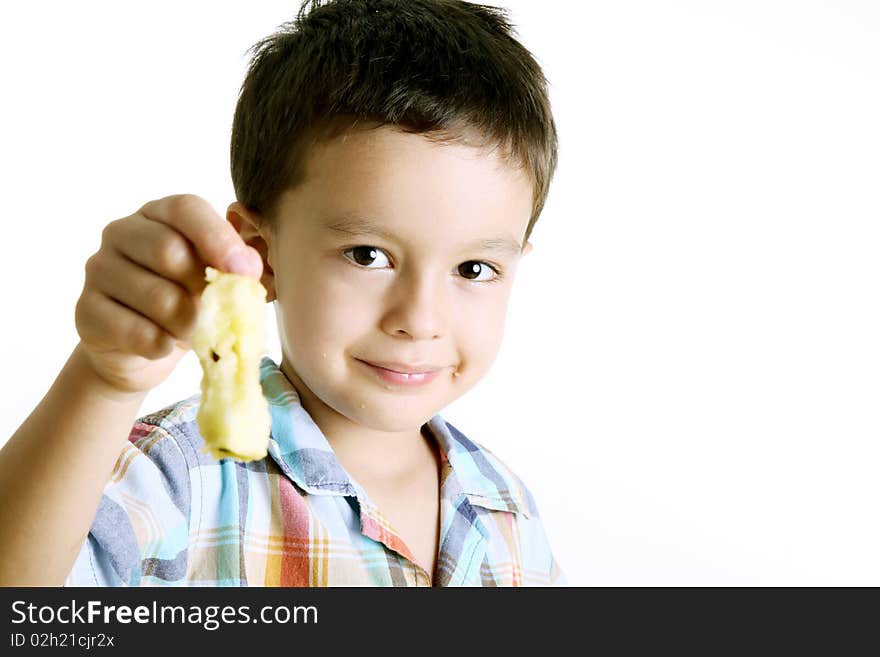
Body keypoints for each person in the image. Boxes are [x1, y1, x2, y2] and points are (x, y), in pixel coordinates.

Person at [0, 0, 565, 586]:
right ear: (261, 257)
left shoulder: (507, 510)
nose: (420, 320)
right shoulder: (181, 479)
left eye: (473, 269)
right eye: (368, 255)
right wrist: (104, 379)